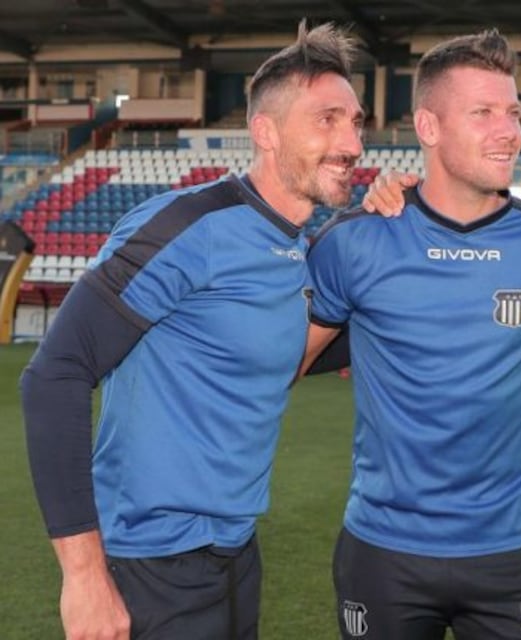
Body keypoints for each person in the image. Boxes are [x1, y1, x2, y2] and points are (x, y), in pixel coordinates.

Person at [20, 21, 364, 640]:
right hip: (148, 566)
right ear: (265, 131)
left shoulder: (297, 248)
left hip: (236, 556)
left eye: (357, 122)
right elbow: (54, 375)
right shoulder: (190, 227)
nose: (351, 143)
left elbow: (280, 349)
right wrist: (84, 577)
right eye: (327, 119)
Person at [301, 29, 521, 640]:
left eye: (512, 112)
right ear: (429, 127)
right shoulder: (355, 241)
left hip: (511, 553)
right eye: (482, 112)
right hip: (384, 554)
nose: (508, 130)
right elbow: (284, 362)